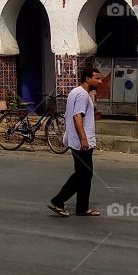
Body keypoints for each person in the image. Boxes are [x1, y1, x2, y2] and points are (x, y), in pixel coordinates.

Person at [49, 64, 102, 217]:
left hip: (74, 139)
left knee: (85, 174)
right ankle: (58, 200)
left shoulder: (75, 92)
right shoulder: (83, 95)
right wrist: (83, 139)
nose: (100, 82)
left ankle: (82, 207)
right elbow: (77, 116)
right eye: (97, 78)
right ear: (88, 79)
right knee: (83, 174)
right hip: (80, 141)